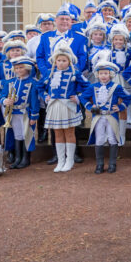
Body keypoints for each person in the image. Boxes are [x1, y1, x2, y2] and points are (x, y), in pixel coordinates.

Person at [43, 42, 87, 173]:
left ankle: (70, 160)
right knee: (57, 133)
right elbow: (40, 86)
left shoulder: (76, 73)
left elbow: (88, 86)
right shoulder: (50, 73)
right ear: (55, 61)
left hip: (68, 106)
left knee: (69, 132)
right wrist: (45, 95)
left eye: (64, 60)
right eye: (59, 60)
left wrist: (79, 97)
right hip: (54, 106)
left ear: (69, 61)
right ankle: (61, 160)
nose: (61, 63)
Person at [81, 60, 131, 174]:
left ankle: (112, 163)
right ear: (97, 75)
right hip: (98, 117)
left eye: (106, 73)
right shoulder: (93, 86)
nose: (103, 76)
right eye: (101, 73)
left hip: (111, 116)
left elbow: (128, 97)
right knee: (99, 139)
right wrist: (90, 106)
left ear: (111, 75)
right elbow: (83, 97)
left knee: (112, 139)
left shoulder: (116, 87)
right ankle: (99, 164)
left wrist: (120, 107)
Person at [0, 56, 40, 170]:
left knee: (26, 134)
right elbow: (1, 96)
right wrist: (5, 101)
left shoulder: (33, 83)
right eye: (16, 68)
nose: (18, 70)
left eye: (21, 68)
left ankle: (26, 159)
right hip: (13, 113)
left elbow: (35, 101)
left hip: (26, 112)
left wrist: (34, 115)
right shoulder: (10, 82)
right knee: (17, 135)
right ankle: (18, 158)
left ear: (27, 68)